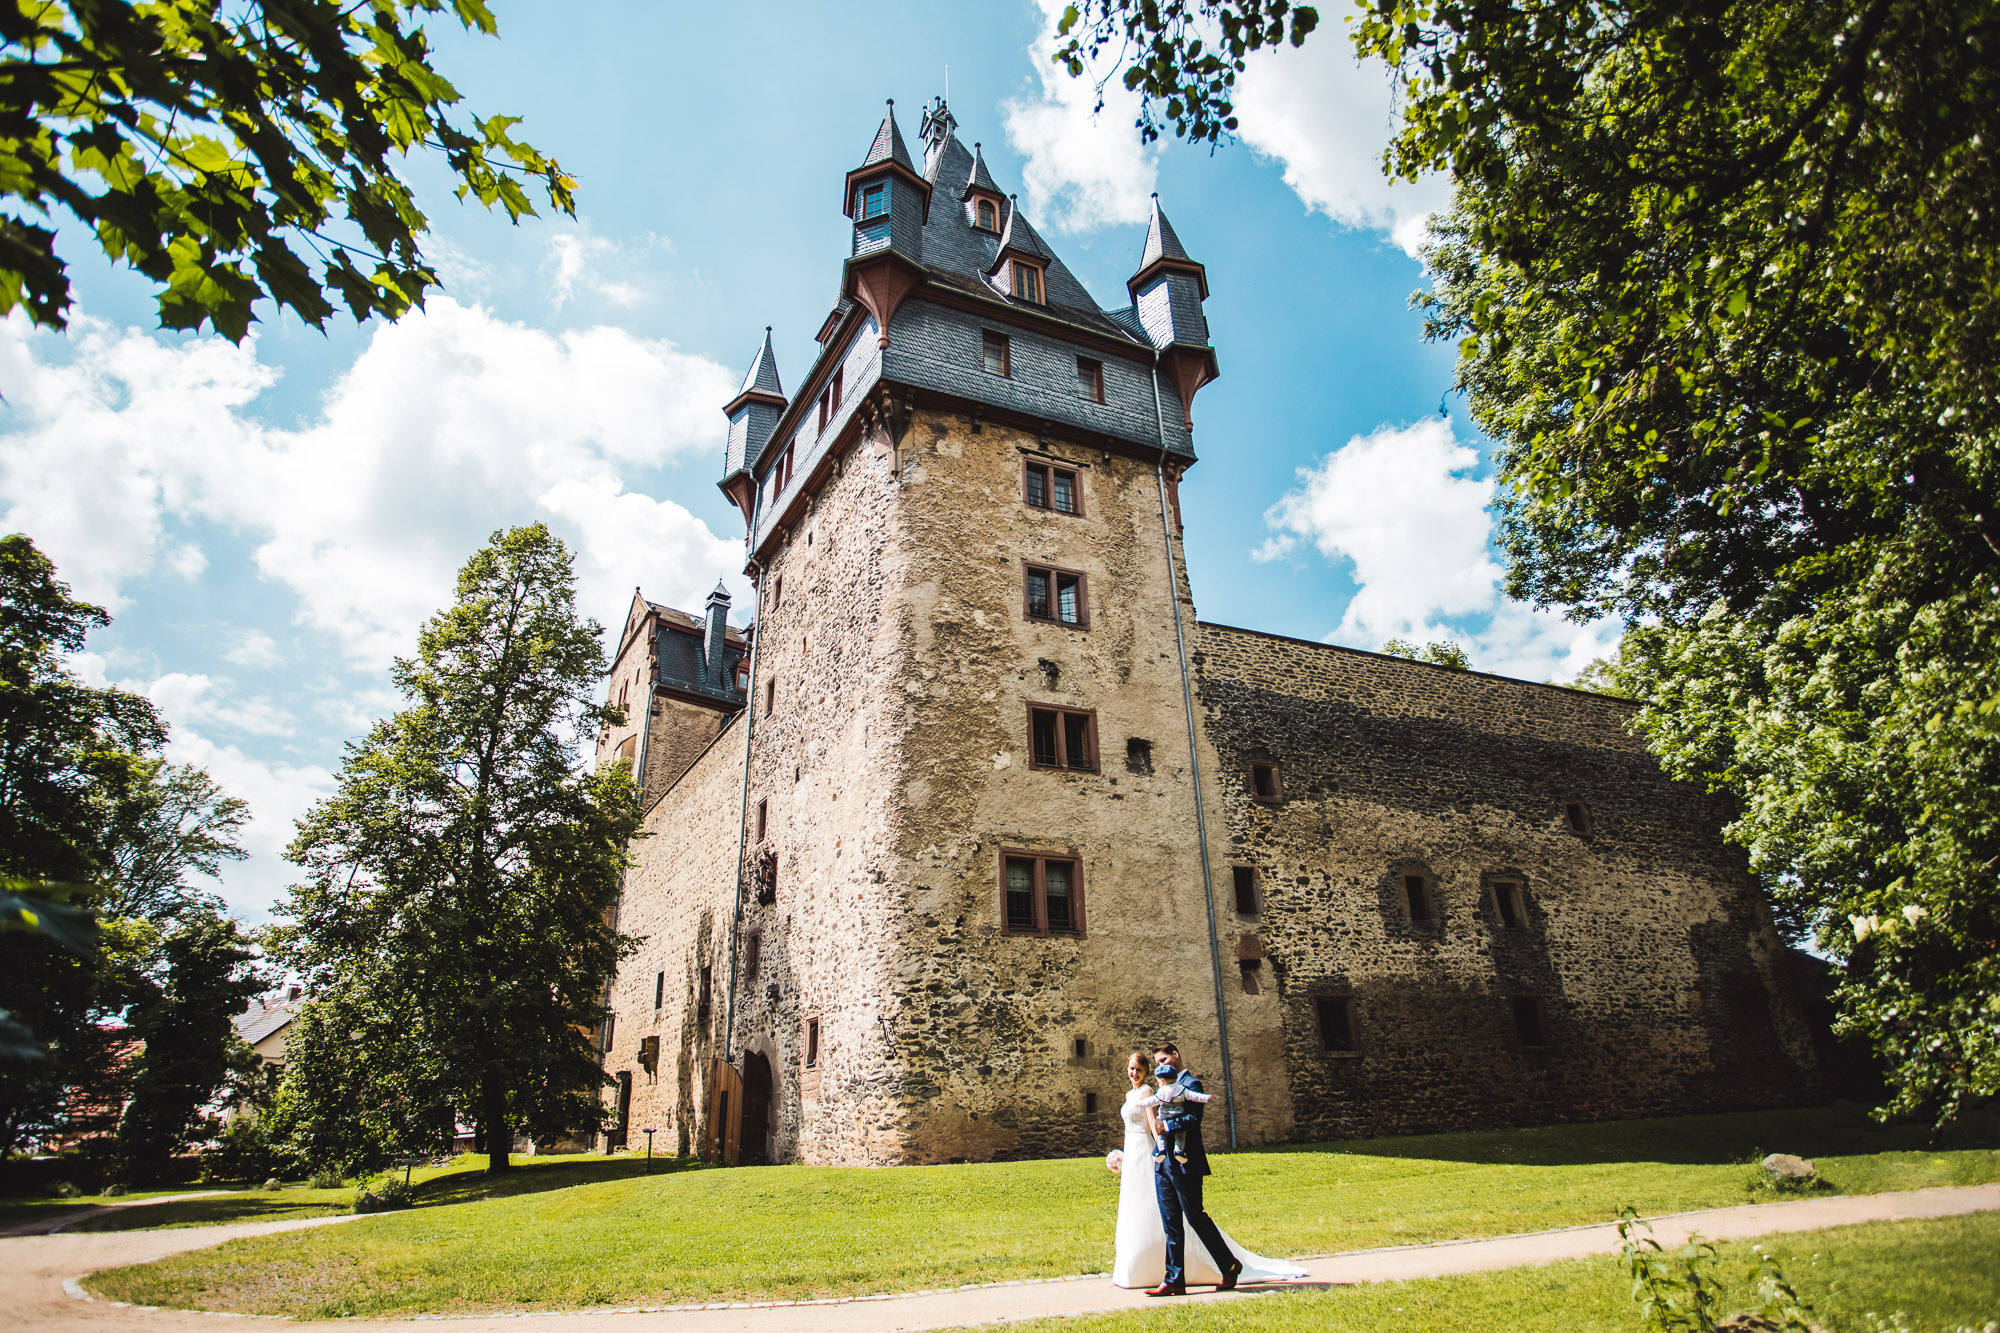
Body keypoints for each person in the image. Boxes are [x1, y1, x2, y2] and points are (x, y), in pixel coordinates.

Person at [1109, 1046, 1307, 1293]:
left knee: (1195, 1217)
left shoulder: (1192, 1083)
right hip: (1162, 1161)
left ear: (1176, 1055)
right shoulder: (1162, 1085)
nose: (1161, 1066)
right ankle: (1173, 1280)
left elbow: (1193, 1120)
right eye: (1158, 1063)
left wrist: (1166, 1126)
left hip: (1186, 1160)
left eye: (1164, 1060)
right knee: (1170, 1221)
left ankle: (1229, 1265)